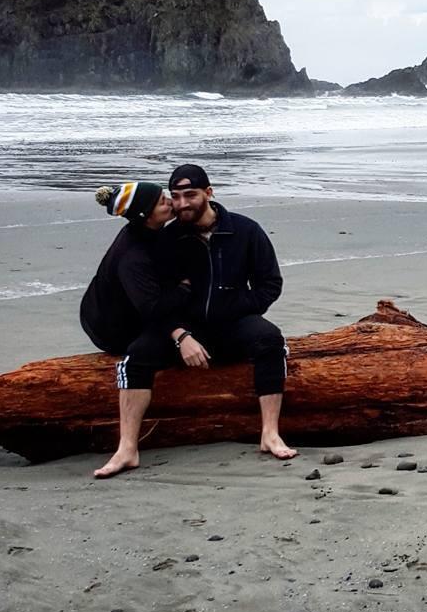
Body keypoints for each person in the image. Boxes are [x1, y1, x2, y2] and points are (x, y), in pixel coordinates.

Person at [164, 163, 297, 460]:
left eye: (190, 194)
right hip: (185, 330)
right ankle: (127, 446)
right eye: (175, 196)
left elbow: (269, 284)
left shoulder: (245, 230)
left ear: (209, 193)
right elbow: (156, 298)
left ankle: (270, 433)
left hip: (234, 323)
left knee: (270, 339)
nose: (182, 203)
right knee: (138, 352)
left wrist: (233, 308)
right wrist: (181, 334)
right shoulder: (169, 238)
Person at [80, 181, 190, 478]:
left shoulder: (151, 232)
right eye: (161, 201)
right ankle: (127, 448)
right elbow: (152, 310)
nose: (170, 202)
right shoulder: (133, 256)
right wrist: (183, 291)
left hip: (131, 308)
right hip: (112, 327)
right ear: (144, 215)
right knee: (140, 355)